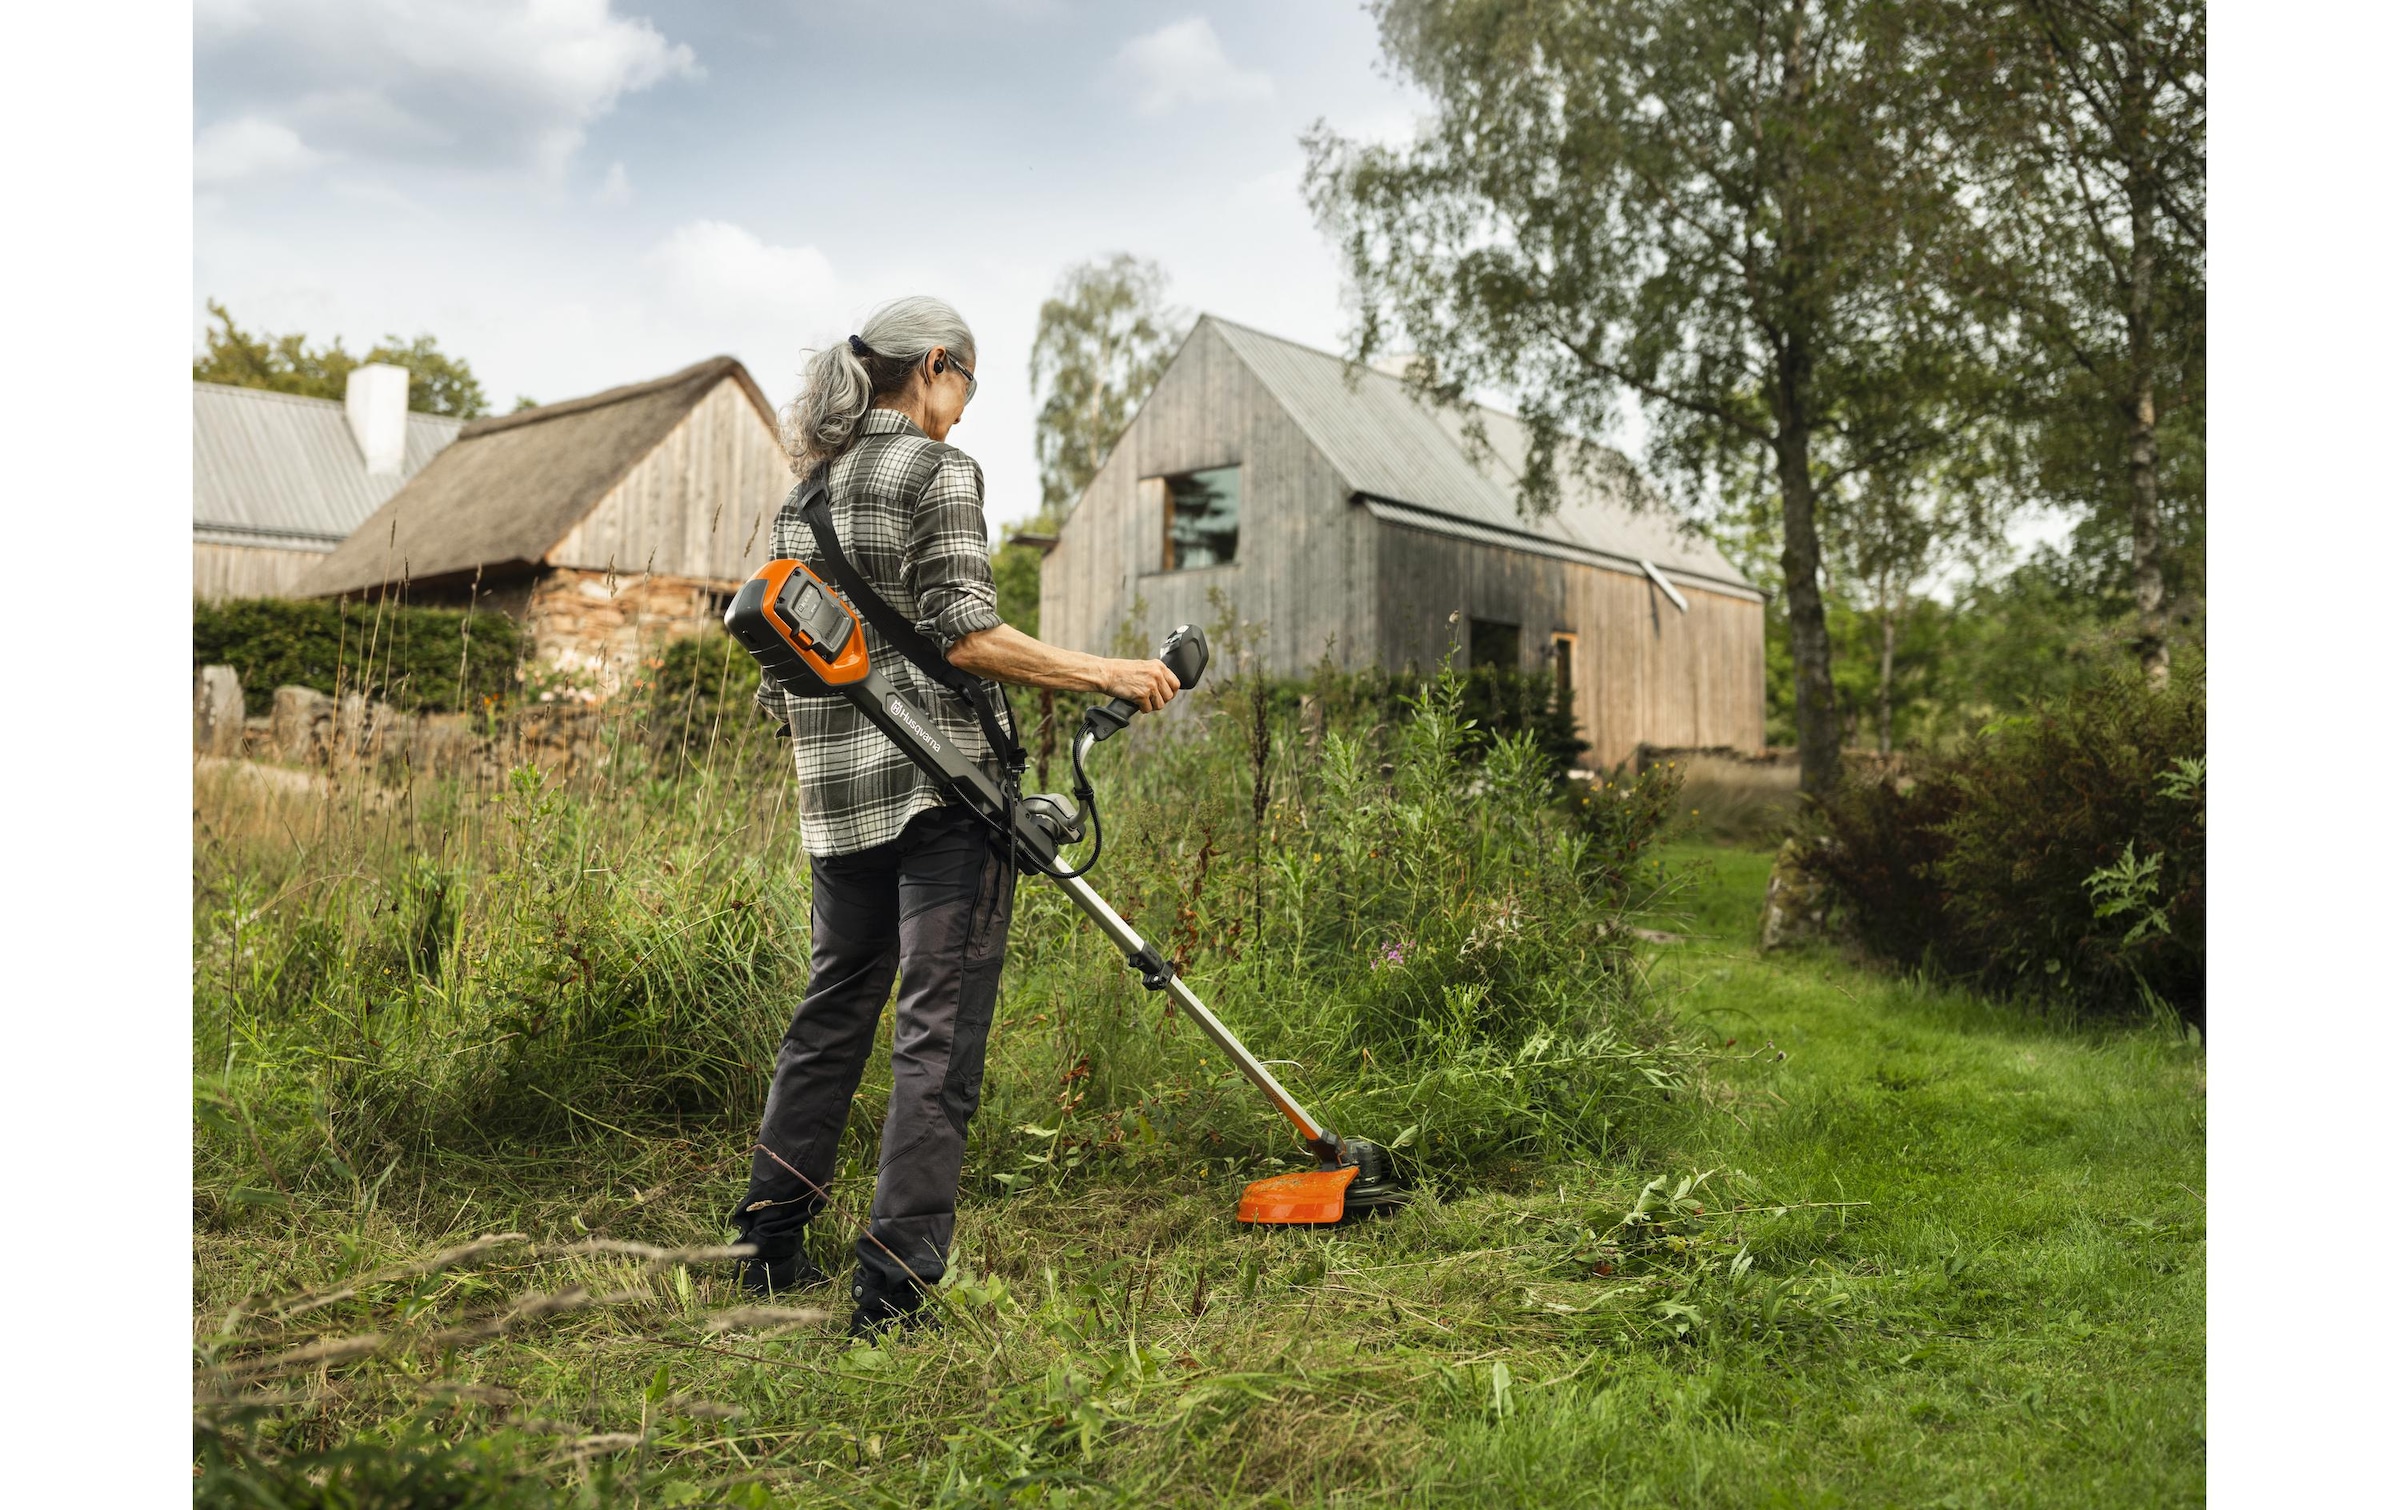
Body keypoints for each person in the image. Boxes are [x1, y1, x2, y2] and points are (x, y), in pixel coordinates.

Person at [730, 295, 1180, 1338]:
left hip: (836, 807)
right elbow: (969, 635)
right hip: (943, 796)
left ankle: (766, 1242)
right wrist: (1108, 668)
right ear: (934, 366)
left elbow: (780, 677)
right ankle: (894, 1288)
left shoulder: (808, 497)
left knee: (831, 1015)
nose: (963, 414)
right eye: (965, 386)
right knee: (937, 1035)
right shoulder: (938, 473)